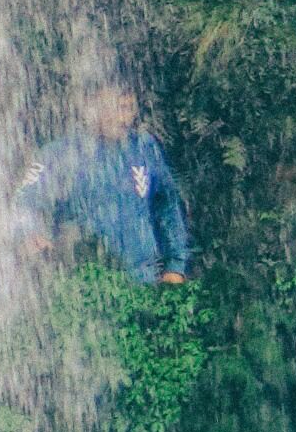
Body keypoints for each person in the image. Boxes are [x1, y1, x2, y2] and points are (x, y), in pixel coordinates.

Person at [17, 71, 189, 283]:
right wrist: (30, 234)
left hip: (145, 281)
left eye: (129, 109)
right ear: (93, 107)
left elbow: (167, 206)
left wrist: (175, 265)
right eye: (116, 108)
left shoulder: (145, 148)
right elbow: (25, 201)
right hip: (84, 283)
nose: (124, 118)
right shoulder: (60, 154)